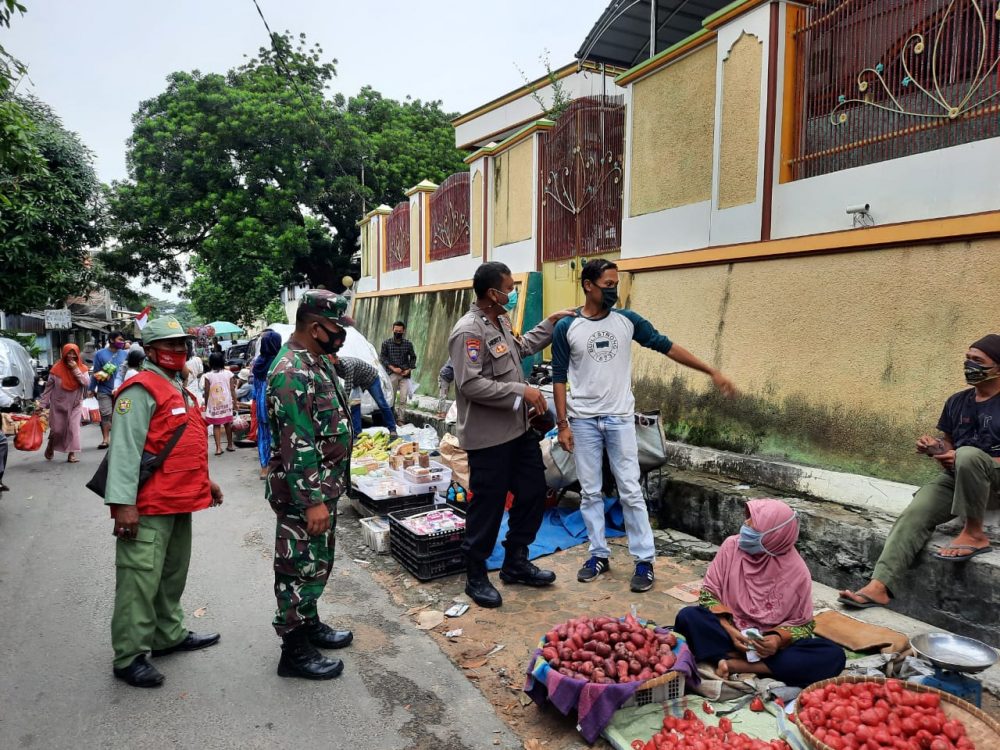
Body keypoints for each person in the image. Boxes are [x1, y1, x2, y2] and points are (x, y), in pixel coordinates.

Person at [552, 259, 736, 593]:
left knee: (630, 489)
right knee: (590, 491)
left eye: (616, 284)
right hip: (583, 421)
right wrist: (563, 423)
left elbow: (667, 346)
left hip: (620, 418)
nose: (613, 290)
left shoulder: (627, 322)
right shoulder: (567, 327)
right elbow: (559, 377)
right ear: (588, 285)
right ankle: (597, 554)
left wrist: (710, 371)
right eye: (608, 284)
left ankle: (644, 560)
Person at [839, 334, 1000, 609]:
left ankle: (974, 533)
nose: (969, 365)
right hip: (959, 480)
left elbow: (966, 455)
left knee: (969, 455)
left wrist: (963, 457)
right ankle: (879, 586)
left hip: (994, 483)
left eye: (978, 361)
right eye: (967, 358)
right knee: (915, 512)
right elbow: (950, 442)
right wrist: (936, 448)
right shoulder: (957, 402)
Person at [449, 261, 576, 609]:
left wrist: (550, 323)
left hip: (518, 430)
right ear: (493, 293)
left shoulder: (500, 321)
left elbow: (517, 349)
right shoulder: (468, 332)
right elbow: (470, 383)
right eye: (509, 287)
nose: (512, 292)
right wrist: (523, 390)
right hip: (489, 437)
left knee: (534, 492)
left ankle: (515, 561)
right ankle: (476, 575)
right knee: (487, 507)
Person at [106, 316, 223, 688]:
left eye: (181, 344)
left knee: (172, 575)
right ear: (152, 350)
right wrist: (123, 505)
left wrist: (206, 483)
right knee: (139, 581)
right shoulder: (140, 390)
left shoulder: (176, 386)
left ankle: (167, 635)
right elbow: (125, 452)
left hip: (180, 500)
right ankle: (129, 656)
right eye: (170, 345)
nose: (178, 350)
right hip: (149, 506)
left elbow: (181, 443)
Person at [266, 290, 355, 680]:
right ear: (316, 328)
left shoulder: (314, 362)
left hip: (323, 488)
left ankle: (309, 622)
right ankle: (294, 650)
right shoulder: (291, 371)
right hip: (306, 494)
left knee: (316, 563)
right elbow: (296, 442)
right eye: (338, 328)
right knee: (296, 568)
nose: (342, 335)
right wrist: (312, 500)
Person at [674, 499, 846, 688]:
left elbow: (803, 626)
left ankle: (734, 664)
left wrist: (777, 641)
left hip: (770, 649)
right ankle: (754, 663)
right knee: (688, 617)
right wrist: (730, 630)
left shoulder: (798, 572)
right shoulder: (732, 547)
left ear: (775, 536)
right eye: (747, 519)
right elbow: (708, 595)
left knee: (833, 656)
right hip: (729, 634)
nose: (745, 525)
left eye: (753, 523)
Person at [40, 343, 90, 464]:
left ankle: (72, 453)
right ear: (64, 354)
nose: (71, 356)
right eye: (69, 353)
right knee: (57, 430)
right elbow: (48, 389)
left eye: (74, 353)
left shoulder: (82, 368)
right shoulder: (56, 369)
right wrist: (42, 405)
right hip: (58, 405)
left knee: (74, 429)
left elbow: (85, 383)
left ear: (78, 354)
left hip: (75, 404)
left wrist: (75, 369)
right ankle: (51, 443)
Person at [333, 355, 397, 438]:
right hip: (356, 382)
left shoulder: (347, 365)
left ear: (336, 358)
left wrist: (343, 403)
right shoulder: (331, 366)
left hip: (371, 379)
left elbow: (347, 387)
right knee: (355, 405)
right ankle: (357, 433)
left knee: (381, 403)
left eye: (329, 357)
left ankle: (392, 429)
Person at [90, 330, 128, 449]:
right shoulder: (100, 354)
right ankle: (106, 439)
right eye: (120, 340)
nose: (122, 342)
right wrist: (91, 389)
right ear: (111, 340)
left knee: (122, 414)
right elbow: (95, 372)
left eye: (123, 340)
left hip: (122, 390)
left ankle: (121, 439)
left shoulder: (125, 354)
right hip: (104, 389)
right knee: (106, 414)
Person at [253, 330, 283, 481]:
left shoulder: (258, 363)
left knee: (263, 436)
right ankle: (279, 466)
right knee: (280, 435)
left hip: (261, 405)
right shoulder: (280, 362)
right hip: (277, 404)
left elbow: (256, 388)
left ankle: (264, 468)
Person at [380, 321, 417, 420]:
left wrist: (409, 369)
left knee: (403, 398)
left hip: (405, 375)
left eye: (400, 331)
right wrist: (393, 368)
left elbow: (413, 357)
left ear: (403, 331)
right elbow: (382, 358)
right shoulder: (386, 343)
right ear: (392, 330)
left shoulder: (408, 344)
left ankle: (401, 419)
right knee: (391, 398)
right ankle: (390, 419)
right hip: (392, 374)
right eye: (396, 331)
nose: (398, 333)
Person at [203, 352, 236, 455]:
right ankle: (230, 445)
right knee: (227, 423)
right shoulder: (229, 373)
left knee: (216, 425)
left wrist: (206, 404)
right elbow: (232, 389)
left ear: (210, 363)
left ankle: (218, 448)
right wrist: (235, 402)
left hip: (214, 403)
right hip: (226, 401)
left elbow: (207, 391)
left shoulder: (208, 375)